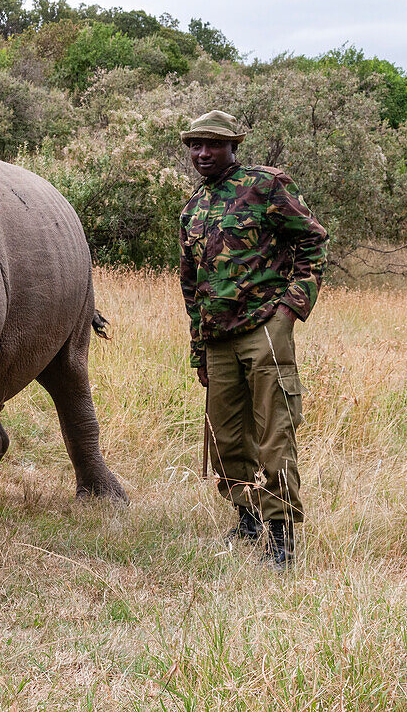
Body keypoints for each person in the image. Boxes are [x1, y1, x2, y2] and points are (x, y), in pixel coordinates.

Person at [178, 110, 328, 568]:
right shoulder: (191, 209)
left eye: (213, 145)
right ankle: (247, 519)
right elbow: (191, 283)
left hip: (265, 327)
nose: (203, 153)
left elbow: (313, 242)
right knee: (226, 438)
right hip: (217, 338)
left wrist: (289, 310)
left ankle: (280, 537)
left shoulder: (266, 185)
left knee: (274, 433)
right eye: (196, 146)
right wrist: (198, 348)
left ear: (233, 147)